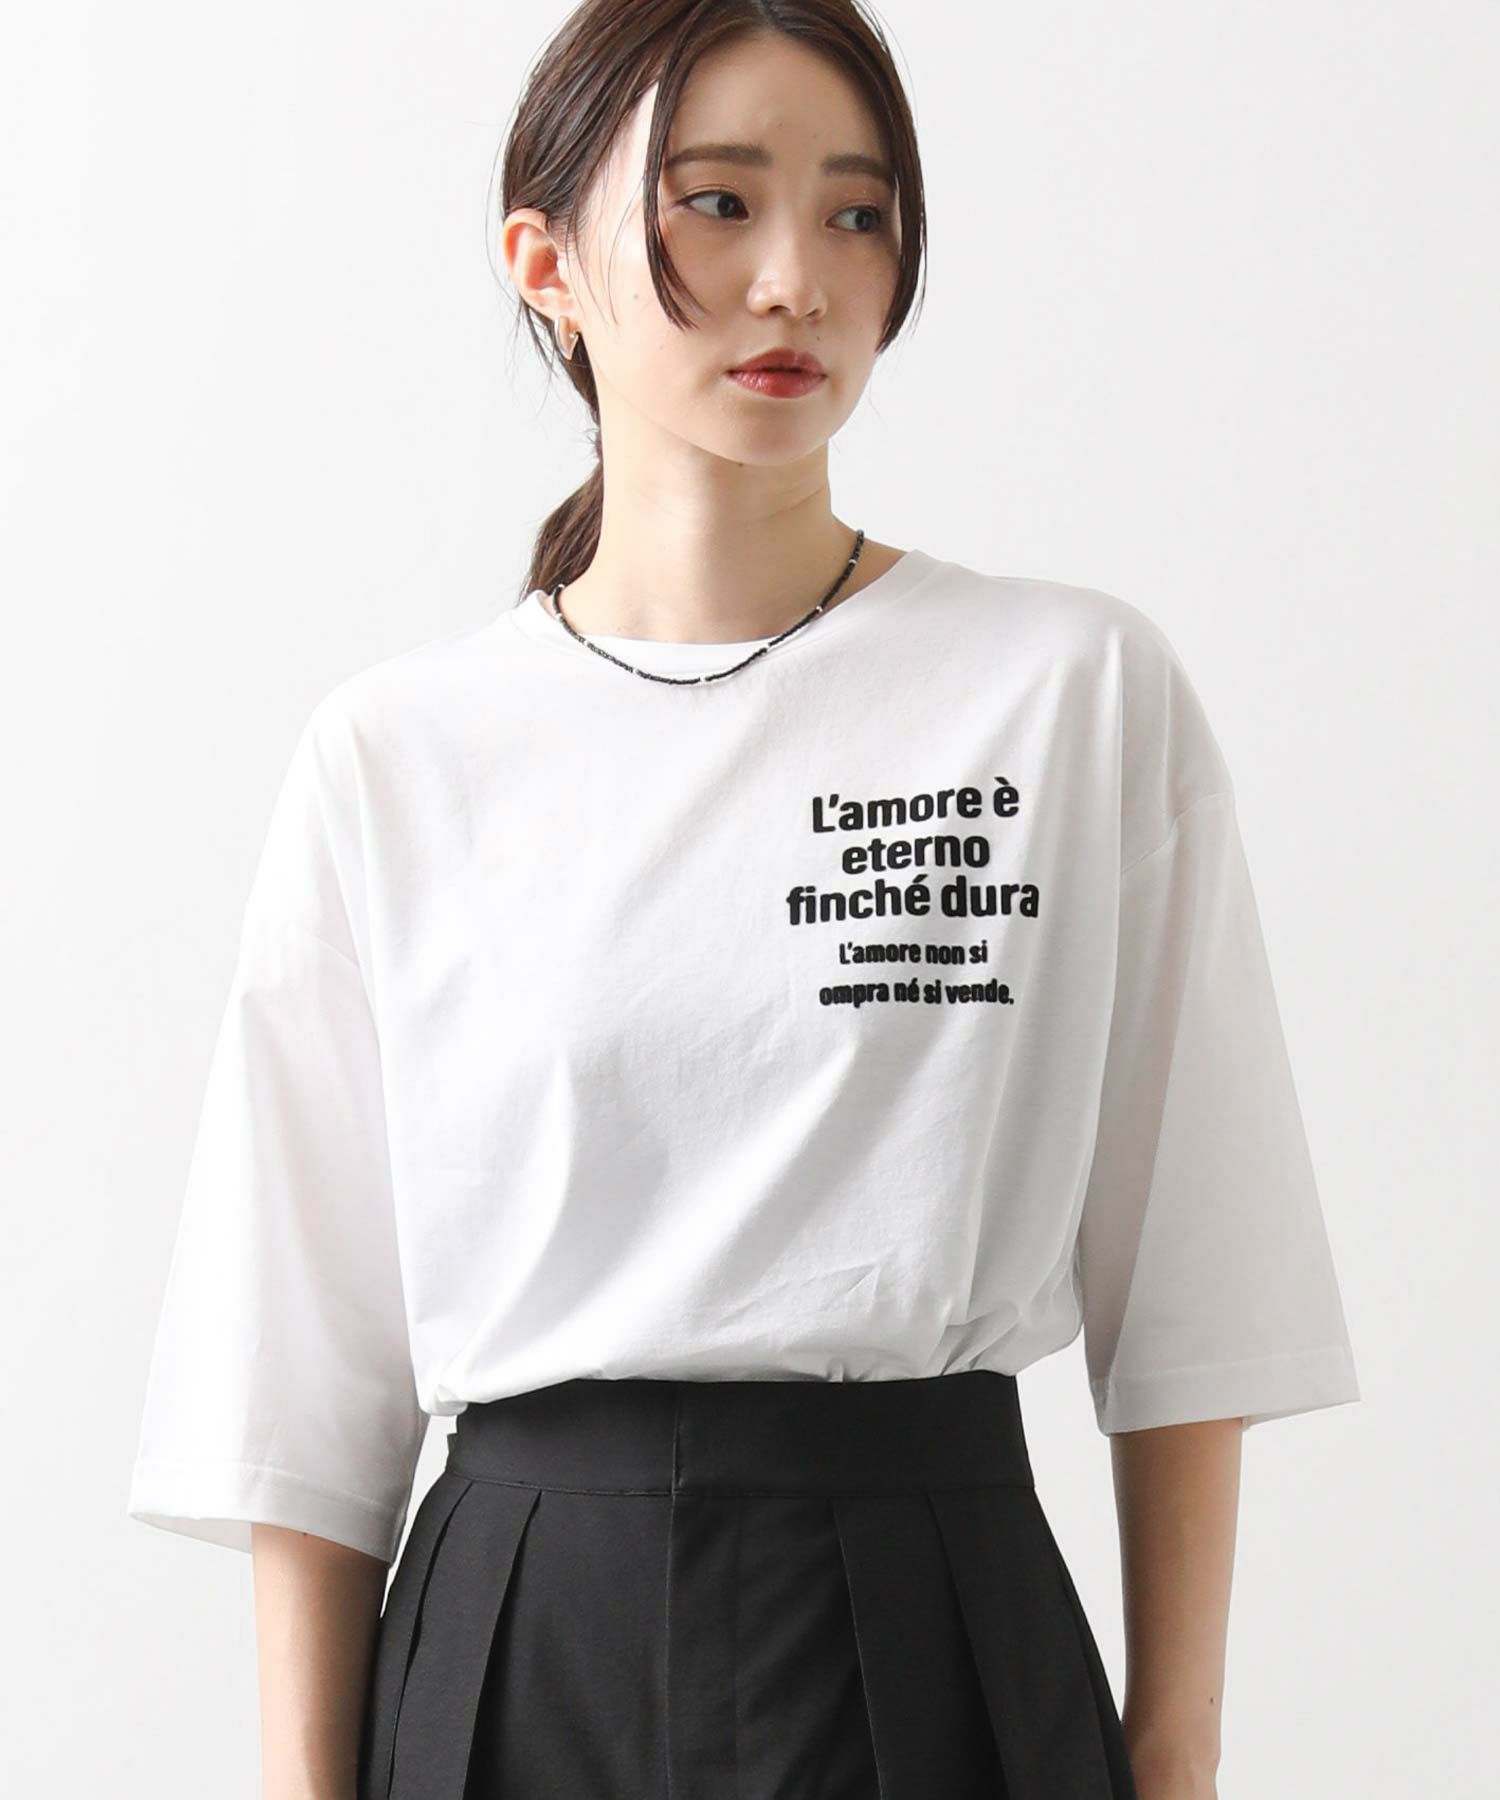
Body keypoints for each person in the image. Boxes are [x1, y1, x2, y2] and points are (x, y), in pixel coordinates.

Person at [126, 4, 1361, 1798]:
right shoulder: (400, 753)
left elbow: (1196, 1282)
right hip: (515, 1646)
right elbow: (303, 1381)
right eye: (717, 204)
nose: (798, 279)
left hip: (939, 1626)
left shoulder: (1065, 692)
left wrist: (1174, 1761)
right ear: (545, 265)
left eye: (857, 215)